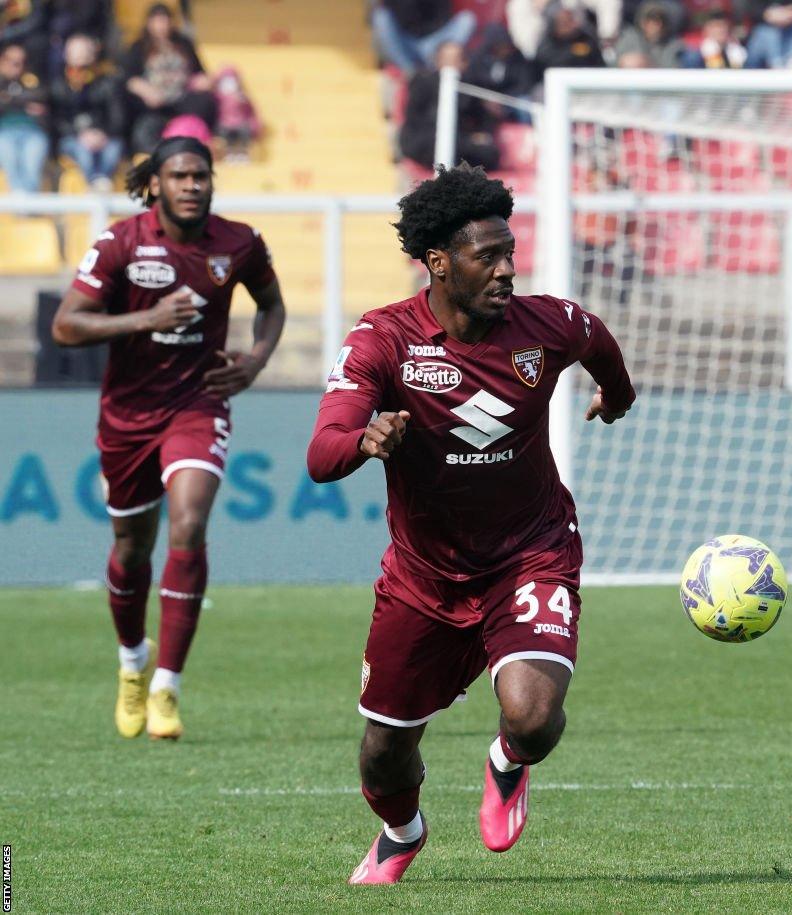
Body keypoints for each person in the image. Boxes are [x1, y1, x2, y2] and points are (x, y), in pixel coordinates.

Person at [306, 164, 635, 884]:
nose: (507, 269)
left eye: (509, 252)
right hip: (424, 578)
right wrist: (363, 441)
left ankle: (508, 759)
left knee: (534, 715)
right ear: (437, 263)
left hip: (532, 552)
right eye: (487, 256)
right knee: (383, 754)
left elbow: (598, 341)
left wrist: (616, 396)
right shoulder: (382, 340)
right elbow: (320, 453)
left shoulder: (546, 325)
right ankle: (401, 832)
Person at [51, 136, 286, 741]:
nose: (192, 185)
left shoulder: (238, 243)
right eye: (179, 176)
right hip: (128, 413)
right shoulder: (121, 243)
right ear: (154, 184)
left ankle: (166, 687)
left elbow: (271, 305)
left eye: (200, 175)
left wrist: (255, 362)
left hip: (199, 403)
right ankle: (132, 662)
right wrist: (146, 319)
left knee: (188, 522)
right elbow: (66, 325)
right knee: (131, 550)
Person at [122, 3, 216, 154]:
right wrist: (145, 89)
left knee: (205, 101)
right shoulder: (138, 47)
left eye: (165, 21)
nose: (162, 26)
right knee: (145, 128)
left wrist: (202, 81)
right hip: (154, 105)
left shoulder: (184, 44)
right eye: (157, 21)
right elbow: (128, 78)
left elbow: (199, 72)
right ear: (149, 23)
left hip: (182, 99)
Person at [399, 42, 500, 171]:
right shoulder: (422, 82)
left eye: (457, 59)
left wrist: (483, 133)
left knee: (488, 153)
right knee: (439, 144)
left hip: (460, 142)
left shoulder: (468, 85)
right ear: (438, 61)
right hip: (425, 139)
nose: (453, 64)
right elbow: (417, 121)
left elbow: (482, 118)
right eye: (448, 59)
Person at [50, 33, 125, 190]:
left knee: (113, 149)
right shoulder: (59, 85)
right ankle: (95, 184)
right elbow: (57, 120)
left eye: (84, 54)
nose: (80, 60)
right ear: (66, 56)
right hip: (72, 138)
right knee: (82, 152)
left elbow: (117, 116)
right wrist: (80, 135)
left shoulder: (107, 83)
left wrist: (102, 134)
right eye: (76, 54)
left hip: (103, 137)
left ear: (93, 55)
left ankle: (99, 182)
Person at [371, 0, 477, 74]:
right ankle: (410, 72)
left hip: (435, 43)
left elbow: (443, 16)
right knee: (380, 17)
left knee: (467, 19)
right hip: (407, 42)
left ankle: (437, 67)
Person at [0, 41, 48, 192]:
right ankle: (21, 201)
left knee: (32, 163)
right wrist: (23, 104)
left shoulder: (32, 80)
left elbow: (42, 96)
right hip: (5, 132)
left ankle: (26, 203)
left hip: (33, 132)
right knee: (10, 157)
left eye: (21, 62)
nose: (18, 65)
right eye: (13, 61)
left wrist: (9, 99)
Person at [743, 0, 792, 68]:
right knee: (768, 34)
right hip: (764, 28)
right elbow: (750, 7)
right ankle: (777, 65)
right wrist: (767, 14)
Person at [615, 0, 685, 68]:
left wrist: (648, 64)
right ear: (642, 22)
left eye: (661, 20)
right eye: (652, 19)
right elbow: (623, 63)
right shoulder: (630, 38)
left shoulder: (673, 45)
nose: (657, 25)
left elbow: (673, 70)